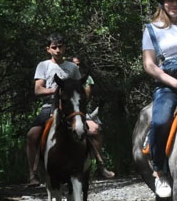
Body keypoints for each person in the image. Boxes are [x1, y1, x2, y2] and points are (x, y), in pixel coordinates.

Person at [142, 0, 177, 198]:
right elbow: (149, 65)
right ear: (162, 3)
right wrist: (175, 82)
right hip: (167, 83)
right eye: (170, 0)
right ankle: (160, 169)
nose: (174, 3)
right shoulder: (152, 29)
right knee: (161, 120)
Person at [26, 33, 82, 185]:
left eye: (60, 47)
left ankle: (100, 163)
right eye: (54, 47)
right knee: (32, 135)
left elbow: (79, 87)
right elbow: (38, 90)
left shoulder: (72, 67)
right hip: (50, 105)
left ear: (65, 48)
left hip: (71, 106)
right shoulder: (43, 66)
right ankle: (33, 173)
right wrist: (56, 90)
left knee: (93, 129)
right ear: (48, 49)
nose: (58, 50)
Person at [71, 56, 115, 179]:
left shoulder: (87, 79)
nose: (76, 67)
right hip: (69, 112)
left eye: (78, 64)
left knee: (94, 129)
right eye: (74, 64)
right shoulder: (66, 78)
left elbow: (86, 98)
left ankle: (100, 165)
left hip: (84, 112)